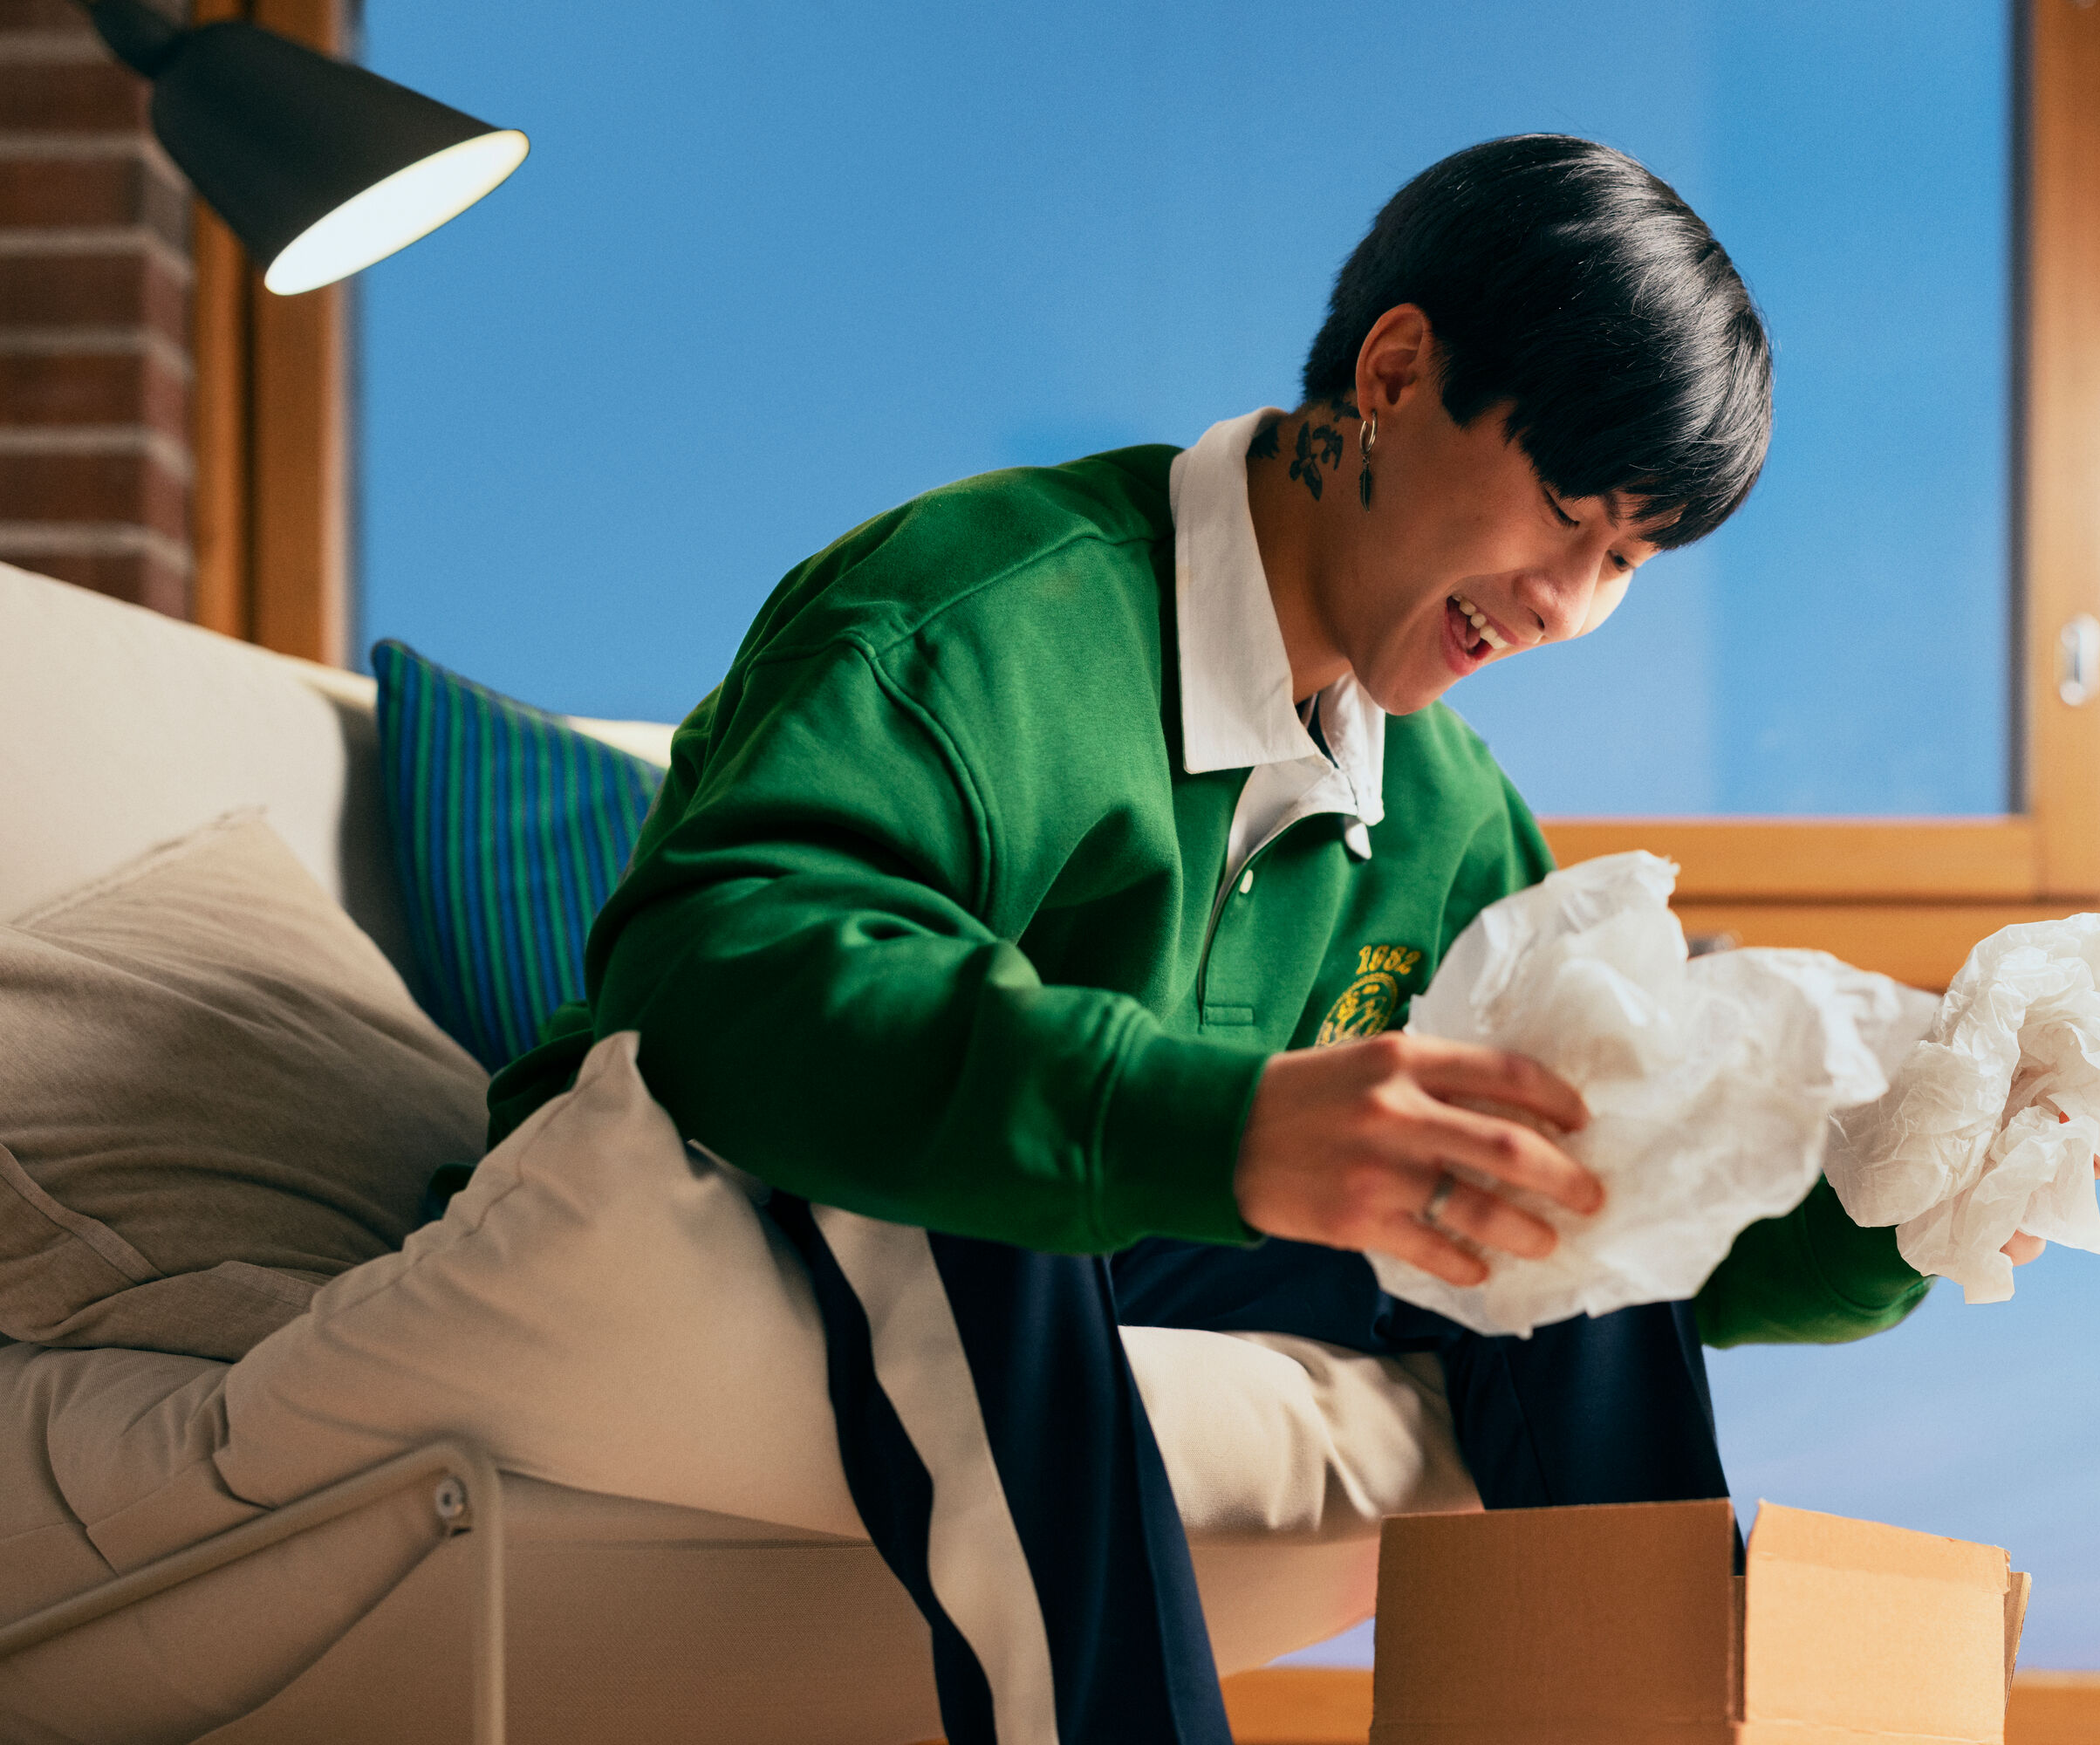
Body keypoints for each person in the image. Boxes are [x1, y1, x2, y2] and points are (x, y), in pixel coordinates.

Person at [491, 134, 1941, 1745]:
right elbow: (715, 968)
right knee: (990, 1188)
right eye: (1569, 518)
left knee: (1523, 1181)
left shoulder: (1454, 812)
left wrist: (1901, 1198)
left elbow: (1621, 1230)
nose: (1567, 610)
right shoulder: (982, 610)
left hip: (1116, 1231)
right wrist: (1227, 1124)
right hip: (745, 1168)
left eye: (1625, 565)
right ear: (1397, 371)